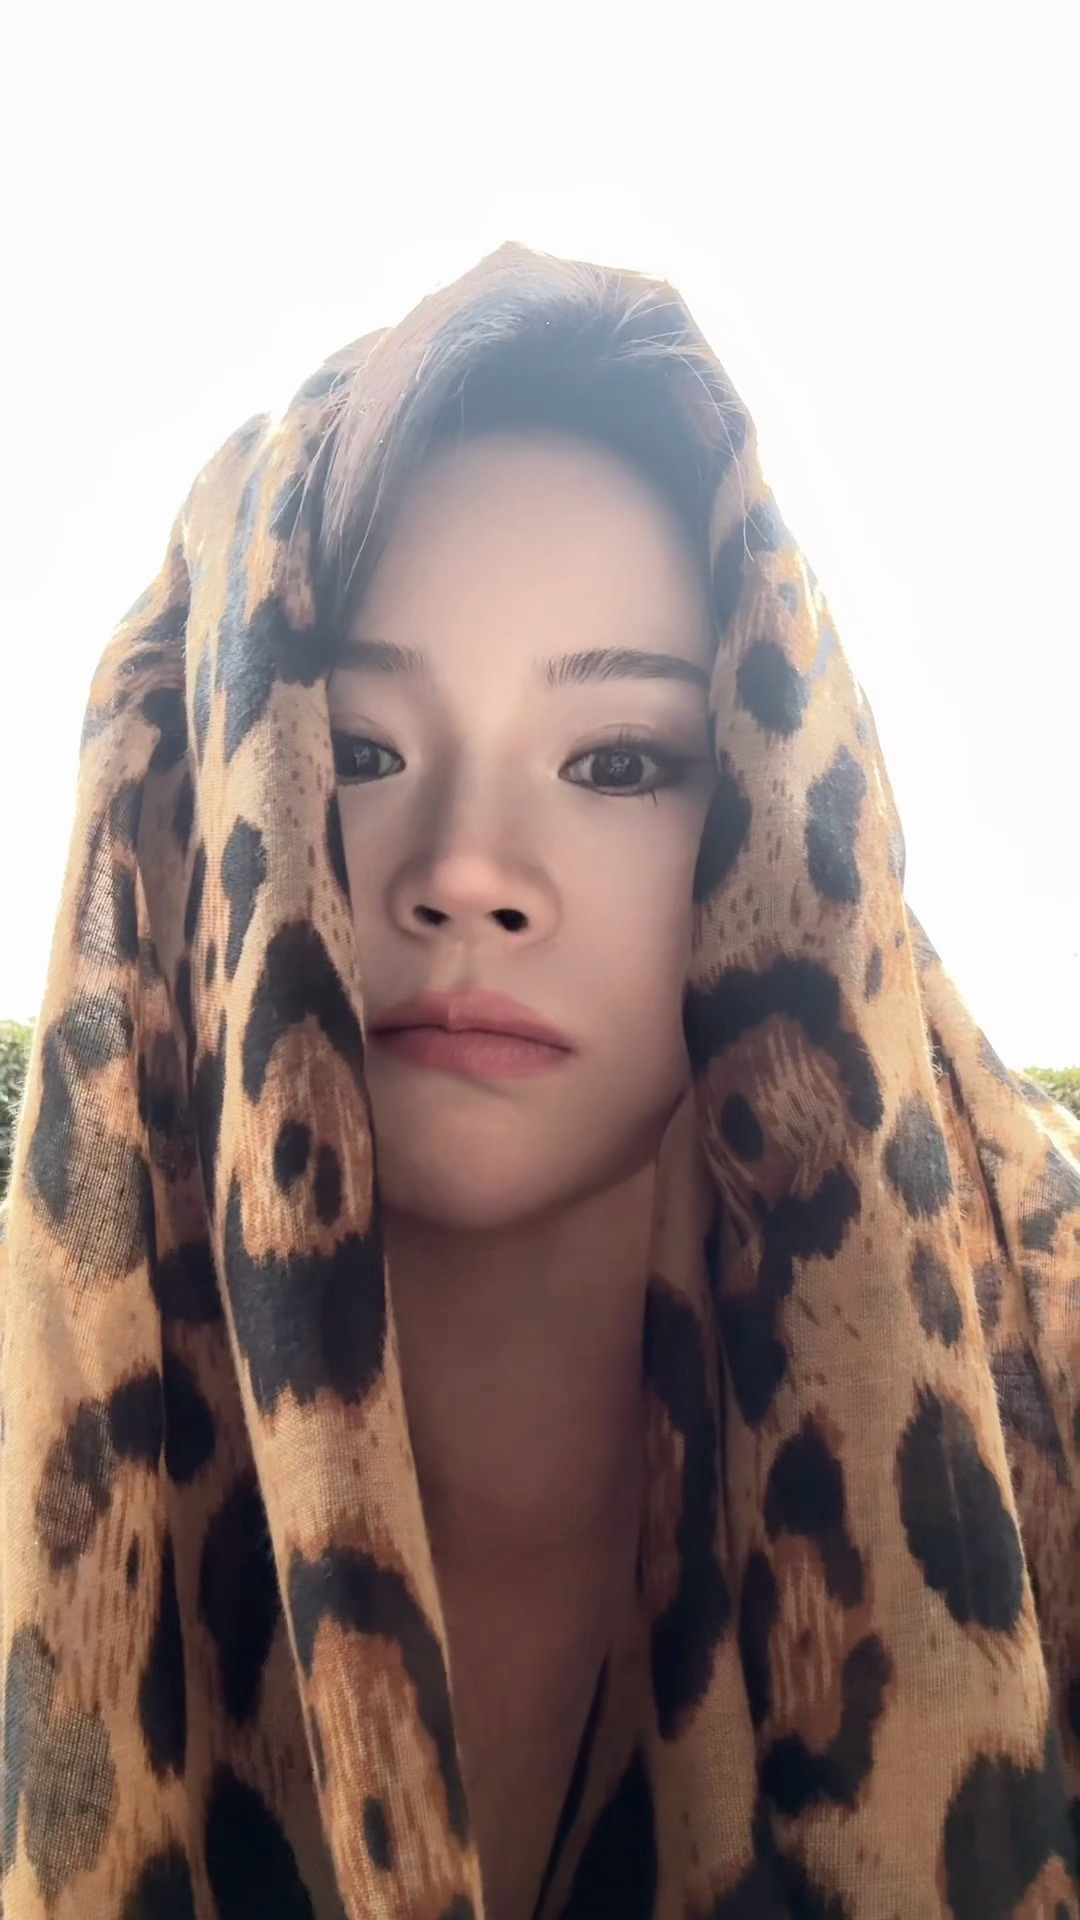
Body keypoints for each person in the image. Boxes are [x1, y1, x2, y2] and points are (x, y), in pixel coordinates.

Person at [1, 241, 1079, 1920]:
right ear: (198, 812)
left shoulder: (1049, 1429)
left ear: (778, 843)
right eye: (359, 751)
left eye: (620, 761)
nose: (470, 872)